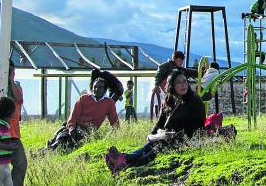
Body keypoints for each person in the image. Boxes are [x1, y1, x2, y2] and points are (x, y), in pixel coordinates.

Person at [105, 71, 234, 172]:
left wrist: (172, 135)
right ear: (172, 85)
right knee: (154, 143)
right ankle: (124, 159)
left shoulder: (195, 101)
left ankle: (125, 163)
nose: (183, 85)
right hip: (166, 138)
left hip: (188, 140)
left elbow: (196, 128)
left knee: (160, 145)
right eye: (179, 82)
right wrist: (155, 135)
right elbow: (157, 127)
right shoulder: (168, 102)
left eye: (185, 82)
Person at [45, 77, 119, 152]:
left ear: (104, 90)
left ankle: (47, 151)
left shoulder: (109, 103)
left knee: (66, 146)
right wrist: (72, 129)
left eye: (100, 87)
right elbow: (73, 116)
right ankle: (43, 152)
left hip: (86, 132)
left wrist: (117, 134)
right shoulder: (83, 98)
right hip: (74, 128)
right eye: (95, 87)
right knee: (60, 139)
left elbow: (114, 121)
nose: (96, 89)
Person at [0, 61, 26, 186]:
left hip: (13, 135)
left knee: (21, 164)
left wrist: (11, 80)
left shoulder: (17, 87)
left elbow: (19, 99)